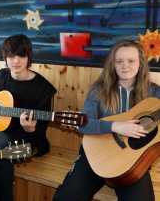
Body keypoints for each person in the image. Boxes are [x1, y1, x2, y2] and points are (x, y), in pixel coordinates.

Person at [53, 40, 160, 201]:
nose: (125, 66)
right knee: (66, 197)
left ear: (140, 64)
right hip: (96, 154)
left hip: (134, 163)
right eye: (119, 61)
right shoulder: (98, 90)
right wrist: (115, 126)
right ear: (113, 65)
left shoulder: (154, 92)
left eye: (131, 61)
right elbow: (83, 124)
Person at [0, 34, 56, 201]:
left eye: (21, 55)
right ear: (5, 58)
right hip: (0, 133)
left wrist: (30, 128)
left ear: (29, 57)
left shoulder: (43, 88)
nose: (16, 61)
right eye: (11, 56)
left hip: (30, 141)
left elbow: (41, 130)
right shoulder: (2, 76)